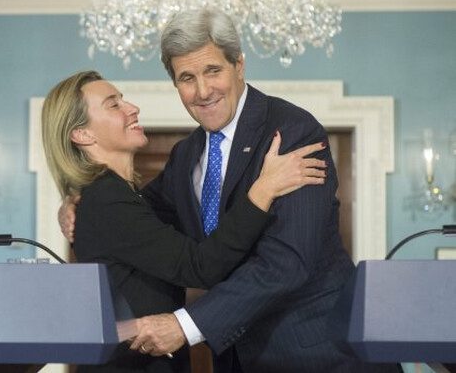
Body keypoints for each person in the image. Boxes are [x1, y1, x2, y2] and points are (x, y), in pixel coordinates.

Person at [59, 9, 400, 373]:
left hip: (320, 356)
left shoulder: (290, 133)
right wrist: (77, 200)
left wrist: (186, 325)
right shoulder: (186, 154)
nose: (202, 91)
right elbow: (135, 213)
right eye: (187, 78)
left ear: (239, 65)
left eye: (213, 71)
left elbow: (286, 263)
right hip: (238, 360)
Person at [42, 70, 327, 372]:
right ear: (82, 134)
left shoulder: (118, 196)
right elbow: (200, 267)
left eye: (123, 99)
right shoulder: (106, 199)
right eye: (113, 105)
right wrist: (264, 189)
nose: (132, 107)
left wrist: (73, 198)